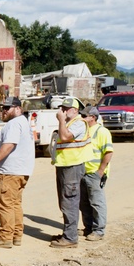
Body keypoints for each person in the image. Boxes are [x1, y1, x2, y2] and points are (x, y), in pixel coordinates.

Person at [0, 96, 34, 248]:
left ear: (18, 108)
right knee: (15, 204)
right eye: (3, 108)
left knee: (5, 204)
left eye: (8, 108)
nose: (4, 111)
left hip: (9, 171)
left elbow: (9, 145)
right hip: (20, 171)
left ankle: (5, 236)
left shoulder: (14, 124)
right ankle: (16, 235)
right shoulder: (23, 123)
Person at [51, 96, 92, 248]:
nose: (63, 111)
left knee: (70, 202)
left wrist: (61, 120)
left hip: (72, 167)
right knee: (64, 202)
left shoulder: (79, 123)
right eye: (62, 108)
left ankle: (70, 237)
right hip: (64, 166)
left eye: (67, 109)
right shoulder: (69, 123)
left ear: (75, 110)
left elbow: (65, 136)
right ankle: (68, 232)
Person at [80, 106, 113, 242]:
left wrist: (101, 171)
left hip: (94, 173)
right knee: (84, 203)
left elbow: (108, 152)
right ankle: (88, 227)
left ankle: (99, 230)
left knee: (96, 202)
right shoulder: (84, 131)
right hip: (83, 172)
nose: (82, 119)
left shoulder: (102, 132)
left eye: (84, 116)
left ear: (93, 117)